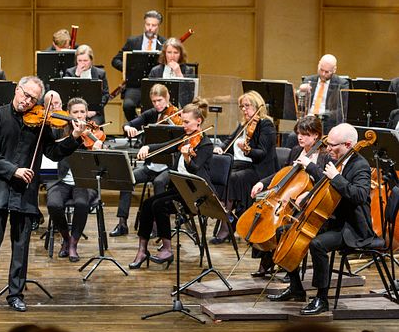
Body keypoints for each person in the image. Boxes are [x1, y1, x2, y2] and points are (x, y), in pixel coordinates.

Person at [0, 76, 86, 312]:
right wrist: (14, 171)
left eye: (33, 99)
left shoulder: (41, 122)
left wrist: (74, 138)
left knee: (21, 247)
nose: (27, 101)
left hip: (25, 193)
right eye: (25, 95)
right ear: (17, 90)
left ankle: (15, 294)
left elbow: (52, 152)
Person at [267, 123, 376, 316]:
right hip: (332, 220)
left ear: (348, 144)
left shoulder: (361, 166)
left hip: (352, 228)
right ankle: (296, 288)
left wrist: (336, 178)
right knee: (282, 231)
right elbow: (325, 186)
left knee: (317, 244)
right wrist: (309, 193)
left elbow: (359, 196)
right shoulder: (338, 160)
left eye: (333, 145)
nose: (328, 148)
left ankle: (321, 299)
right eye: (328, 144)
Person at [129, 98, 212, 268]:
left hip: (194, 193)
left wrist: (188, 157)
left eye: (187, 122)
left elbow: (196, 170)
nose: (183, 125)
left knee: (159, 204)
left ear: (199, 121)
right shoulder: (185, 138)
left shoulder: (205, 145)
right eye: (183, 121)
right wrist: (148, 148)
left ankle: (167, 248)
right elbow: (166, 146)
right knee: (147, 204)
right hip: (179, 190)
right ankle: (142, 250)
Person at [249, 116, 329, 277]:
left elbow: (325, 180)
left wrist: (309, 166)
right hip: (289, 198)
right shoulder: (295, 151)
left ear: (316, 135)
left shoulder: (325, 155)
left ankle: (288, 265)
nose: (300, 137)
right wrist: (262, 183)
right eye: (299, 133)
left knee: (286, 227)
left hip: (310, 203)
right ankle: (268, 259)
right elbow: (282, 174)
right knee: (265, 217)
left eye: (305, 134)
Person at [111, 84, 177, 237]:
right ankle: (122, 223)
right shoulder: (152, 114)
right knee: (127, 178)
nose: (157, 104)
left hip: (169, 167)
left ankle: (156, 225)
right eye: (154, 101)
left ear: (167, 98)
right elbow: (128, 123)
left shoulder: (176, 117)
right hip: (151, 166)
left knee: (159, 183)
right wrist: (128, 128)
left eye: (160, 100)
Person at [213, 90, 277, 243]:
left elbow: (261, 153)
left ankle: (226, 225)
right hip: (243, 165)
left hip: (260, 170)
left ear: (257, 106)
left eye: (247, 106)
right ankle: (228, 219)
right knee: (223, 176)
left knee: (233, 178)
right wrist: (220, 147)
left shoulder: (265, 124)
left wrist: (247, 150)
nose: (244, 109)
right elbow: (229, 140)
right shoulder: (244, 124)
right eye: (242, 106)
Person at [46, 97, 100, 262]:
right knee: (53, 204)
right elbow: (54, 154)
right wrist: (74, 136)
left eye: (82, 112)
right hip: (61, 180)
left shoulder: (94, 132)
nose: (79, 115)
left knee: (81, 203)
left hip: (83, 181)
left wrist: (98, 148)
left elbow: (103, 161)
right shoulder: (60, 131)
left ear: (86, 113)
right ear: (68, 114)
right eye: (75, 112)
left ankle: (73, 244)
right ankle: (66, 238)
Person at [111, 10, 166, 122]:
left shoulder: (164, 43)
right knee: (128, 105)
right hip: (135, 85)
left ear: (158, 26)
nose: (150, 28)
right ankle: (137, 128)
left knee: (153, 107)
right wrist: (128, 69)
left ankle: (146, 132)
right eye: (148, 24)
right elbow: (115, 60)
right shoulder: (133, 41)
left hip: (156, 85)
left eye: (154, 25)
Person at [299, 54, 349, 133]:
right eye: (321, 70)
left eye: (327, 72)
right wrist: (301, 91)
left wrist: (322, 115)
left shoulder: (342, 84)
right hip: (308, 122)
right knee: (292, 137)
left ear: (334, 70)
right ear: (318, 65)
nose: (323, 74)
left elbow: (342, 110)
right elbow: (300, 106)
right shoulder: (308, 80)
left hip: (328, 123)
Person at [63, 44, 109, 125]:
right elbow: (67, 95)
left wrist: (95, 111)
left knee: (93, 126)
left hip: (94, 112)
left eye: (85, 61)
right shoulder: (70, 72)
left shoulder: (100, 73)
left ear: (91, 60)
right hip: (75, 112)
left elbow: (105, 95)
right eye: (79, 61)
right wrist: (76, 75)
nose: (82, 64)